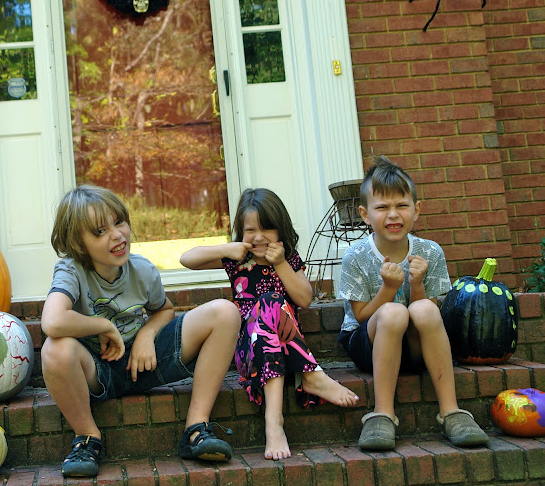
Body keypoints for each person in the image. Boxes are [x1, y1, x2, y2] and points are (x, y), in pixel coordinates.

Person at [41, 185, 241, 477]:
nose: (117, 235)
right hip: (98, 370)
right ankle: (87, 438)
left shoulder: (143, 270)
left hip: (145, 361)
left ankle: (196, 428)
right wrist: (103, 325)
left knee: (226, 312)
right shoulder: (71, 271)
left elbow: (164, 310)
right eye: (100, 231)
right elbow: (52, 321)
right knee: (55, 348)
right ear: (78, 243)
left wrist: (146, 335)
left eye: (119, 222)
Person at [180, 188, 359, 461]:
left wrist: (281, 264)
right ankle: (306, 382)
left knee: (272, 301)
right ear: (241, 232)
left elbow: (304, 299)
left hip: (287, 348)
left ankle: (276, 420)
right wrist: (227, 248)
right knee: (269, 302)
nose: (258, 237)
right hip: (250, 352)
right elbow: (187, 259)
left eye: (266, 229)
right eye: (250, 230)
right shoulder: (237, 260)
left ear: (280, 230)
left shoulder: (289, 259)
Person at [337, 156, 489, 450]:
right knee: (393, 312)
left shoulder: (429, 252)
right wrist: (388, 289)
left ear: (416, 210)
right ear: (365, 214)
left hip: (416, 347)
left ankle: (452, 412)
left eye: (402, 206)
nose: (393, 215)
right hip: (368, 344)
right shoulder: (355, 256)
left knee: (424, 308)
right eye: (382, 207)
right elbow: (361, 316)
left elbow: (427, 313)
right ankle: (382, 414)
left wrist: (416, 284)